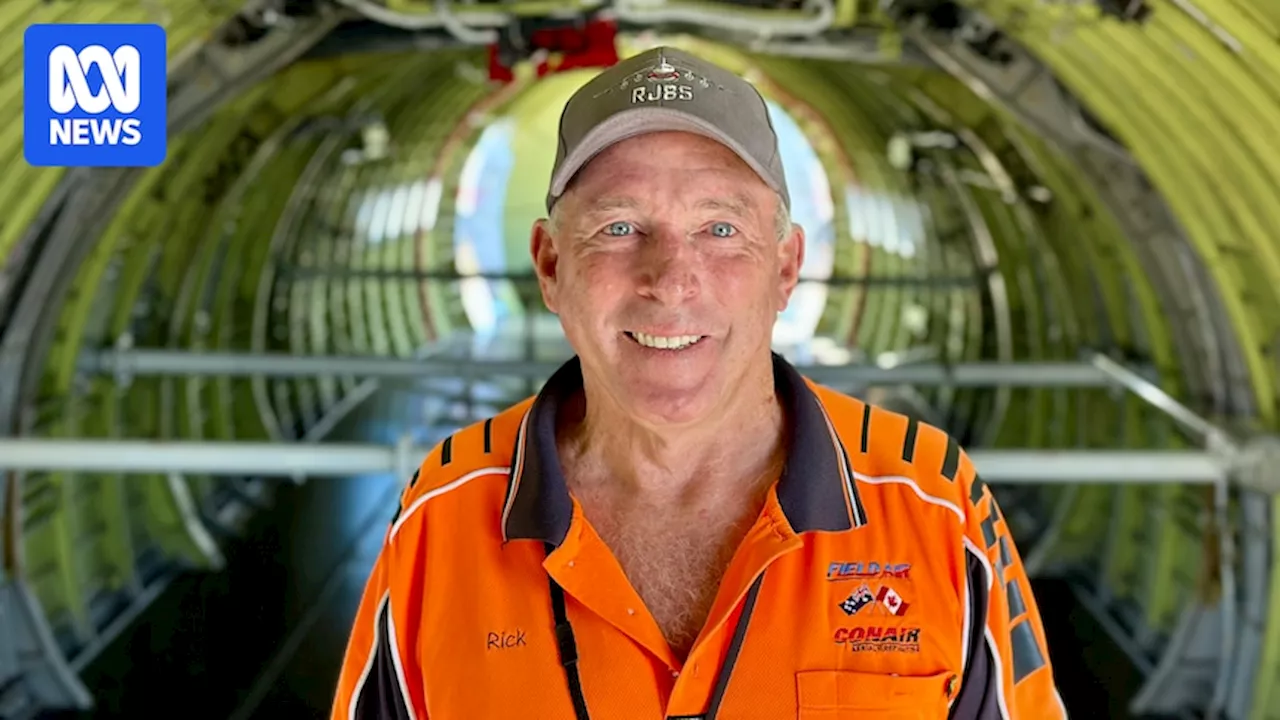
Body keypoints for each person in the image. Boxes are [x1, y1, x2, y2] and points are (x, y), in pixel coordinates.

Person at [331, 45, 1067, 719]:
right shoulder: (445, 517)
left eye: (720, 229)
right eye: (619, 228)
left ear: (784, 269)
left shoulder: (932, 508)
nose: (671, 282)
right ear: (552, 266)